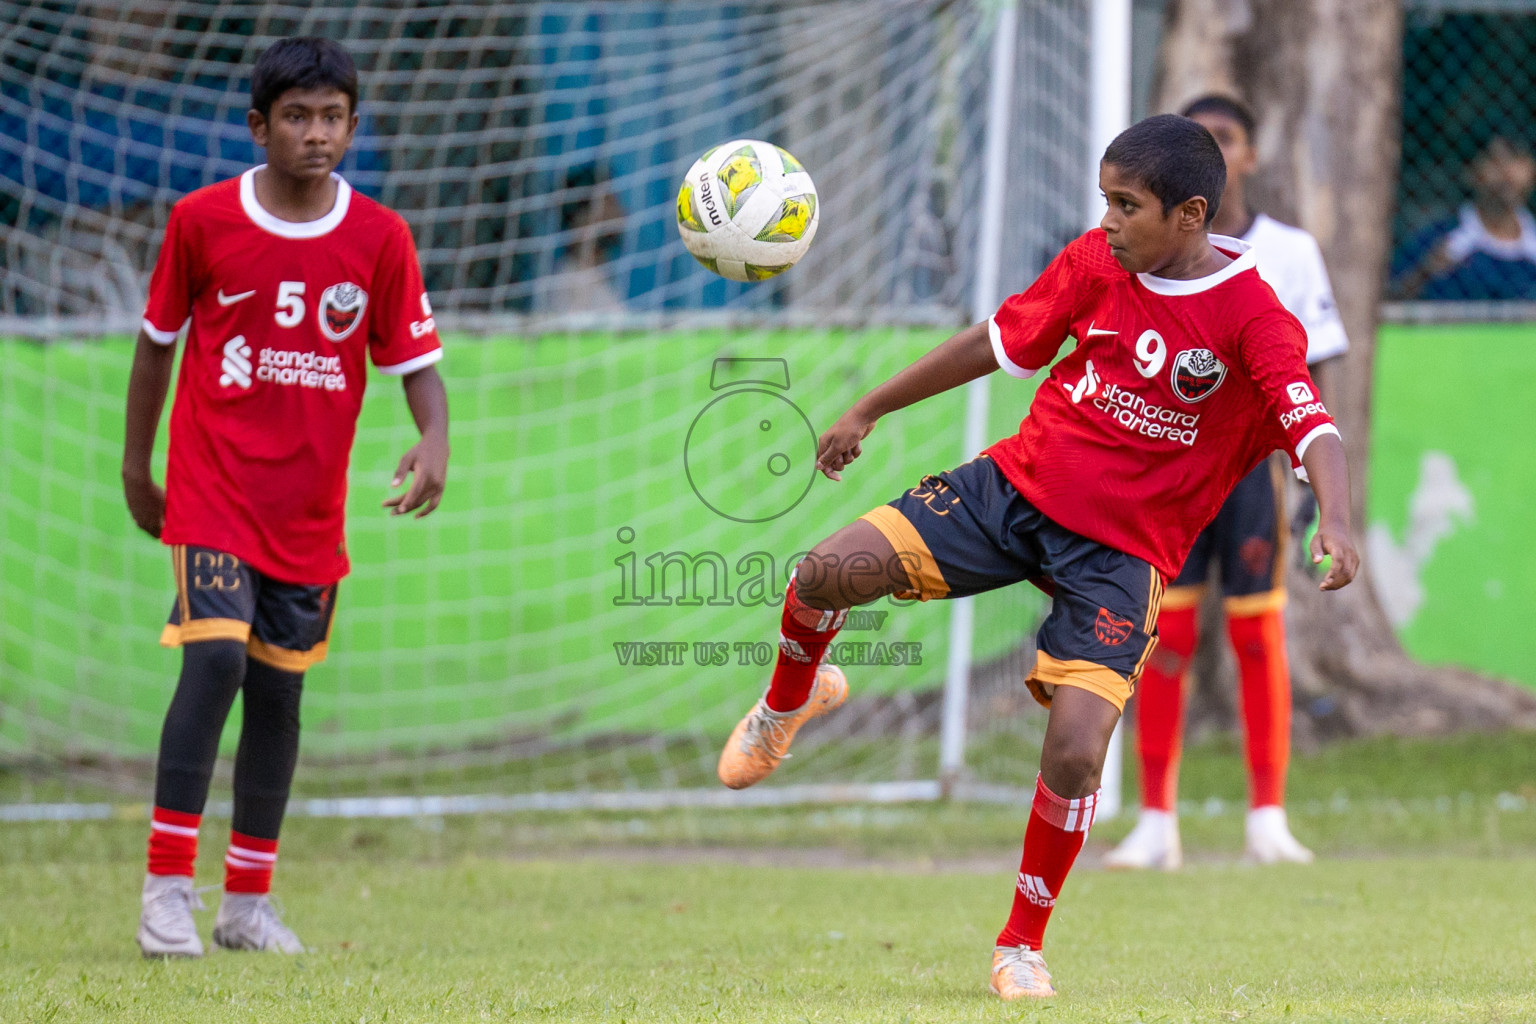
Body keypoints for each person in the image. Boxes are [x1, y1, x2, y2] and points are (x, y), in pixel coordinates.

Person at [712, 113, 1359, 999]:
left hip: (1122, 557)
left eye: (1127, 205)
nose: (1109, 220)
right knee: (825, 572)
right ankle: (789, 703)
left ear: (1191, 214)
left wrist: (1339, 518)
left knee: (1075, 753)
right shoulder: (1097, 262)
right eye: (1106, 200)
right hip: (1013, 496)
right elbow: (995, 341)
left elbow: (1314, 425)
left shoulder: (1253, 317)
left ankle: (1020, 944)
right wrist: (870, 408)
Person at [123, 38, 449, 958]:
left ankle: (246, 906)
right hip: (211, 487)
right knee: (216, 661)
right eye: (297, 117)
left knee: (278, 694)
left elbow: (416, 362)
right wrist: (134, 471)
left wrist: (435, 439)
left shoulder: (379, 237)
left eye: (332, 117)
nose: (316, 134)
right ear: (259, 126)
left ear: (353, 124)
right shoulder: (201, 220)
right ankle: (166, 892)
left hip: (305, 513)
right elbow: (155, 345)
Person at [1104, 94, 1349, 871]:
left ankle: (1268, 818)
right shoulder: (1147, 251)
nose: (1216, 146)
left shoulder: (1290, 252)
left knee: (1255, 632)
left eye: (1228, 137)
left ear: (1246, 155)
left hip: (1249, 479)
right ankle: (1155, 822)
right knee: (1164, 637)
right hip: (1171, 481)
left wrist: (1315, 484)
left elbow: (1310, 374)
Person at [1390, 133, 1536, 300]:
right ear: (1470, 172)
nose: (1508, 172)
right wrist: (1423, 274)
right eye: (1496, 160)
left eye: (1518, 160)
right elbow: (1390, 297)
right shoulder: (1436, 240)